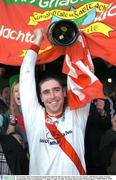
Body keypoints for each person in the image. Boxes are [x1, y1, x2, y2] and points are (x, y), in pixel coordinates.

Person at [19, 28, 90, 175]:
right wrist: (37, 40)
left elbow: (82, 77)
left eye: (56, 90)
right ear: (40, 97)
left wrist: (74, 40)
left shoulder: (77, 114)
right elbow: (26, 74)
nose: (52, 96)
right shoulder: (34, 117)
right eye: (46, 92)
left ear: (64, 93)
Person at [85, 98, 112, 174]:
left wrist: (101, 112)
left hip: (98, 146)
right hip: (82, 146)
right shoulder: (80, 100)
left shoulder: (104, 100)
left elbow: (108, 125)